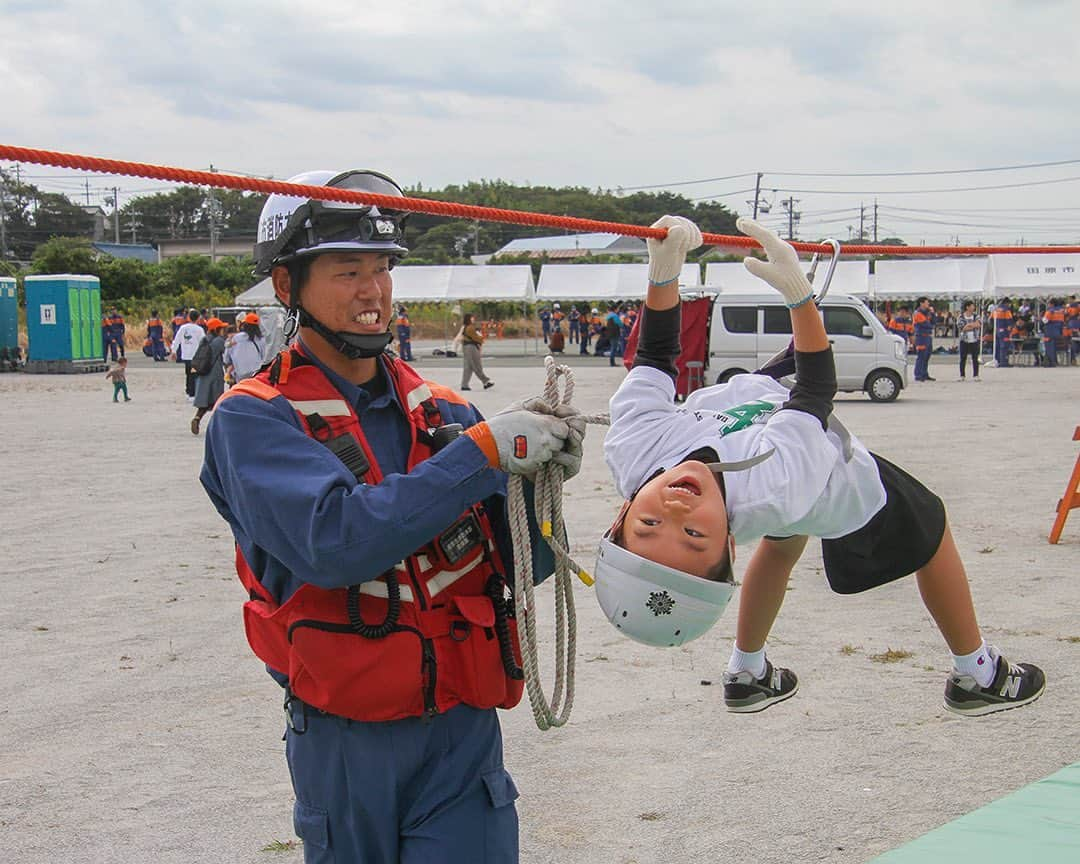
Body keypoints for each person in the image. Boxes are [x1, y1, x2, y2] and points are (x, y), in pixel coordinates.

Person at [199, 168, 582, 864]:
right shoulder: (253, 417)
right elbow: (337, 544)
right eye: (348, 271)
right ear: (287, 287)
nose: (373, 291)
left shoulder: (451, 412)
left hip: (462, 736)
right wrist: (483, 455)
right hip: (347, 742)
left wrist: (539, 491)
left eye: (381, 269)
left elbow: (528, 565)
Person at [594, 214, 1045, 718]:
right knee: (932, 526)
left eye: (651, 524)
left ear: (622, 514)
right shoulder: (773, 487)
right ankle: (978, 674)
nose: (677, 509)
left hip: (759, 407)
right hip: (831, 480)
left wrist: (662, 276)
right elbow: (815, 391)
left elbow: (654, 358)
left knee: (784, 538)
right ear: (726, 543)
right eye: (693, 535)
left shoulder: (633, 451)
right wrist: (799, 297)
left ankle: (747, 672)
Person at [191, 317, 228, 435]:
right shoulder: (219, 341)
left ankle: (197, 418)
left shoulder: (204, 340)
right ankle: (218, 426)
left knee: (204, 401)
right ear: (217, 329)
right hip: (215, 373)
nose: (223, 330)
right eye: (221, 328)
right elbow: (226, 356)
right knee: (217, 400)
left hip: (203, 372)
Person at [170, 309, 206, 401]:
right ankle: (192, 393)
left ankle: (188, 392)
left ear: (189, 318)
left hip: (186, 356)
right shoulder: (199, 329)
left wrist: (173, 351)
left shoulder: (183, 328)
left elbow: (177, 339)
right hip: (196, 356)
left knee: (188, 374)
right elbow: (203, 343)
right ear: (198, 318)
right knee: (194, 374)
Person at [224, 312, 266, 382]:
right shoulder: (261, 340)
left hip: (240, 374)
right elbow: (264, 357)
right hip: (256, 374)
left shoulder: (236, 338)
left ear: (245, 325)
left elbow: (227, 358)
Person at [460, 312, 494, 391]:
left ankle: (464, 384)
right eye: (472, 317)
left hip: (466, 347)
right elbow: (477, 338)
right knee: (476, 365)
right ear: (469, 319)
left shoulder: (465, 327)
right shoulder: (470, 328)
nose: (473, 319)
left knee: (468, 367)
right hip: (471, 347)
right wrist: (481, 339)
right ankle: (485, 381)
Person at [955, 300, 981, 381]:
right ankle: (962, 375)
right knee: (963, 358)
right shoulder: (961, 317)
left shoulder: (976, 316)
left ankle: (976, 375)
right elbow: (962, 328)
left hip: (974, 339)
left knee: (975, 358)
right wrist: (972, 325)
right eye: (972, 306)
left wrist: (969, 325)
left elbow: (978, 324)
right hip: (964, 340)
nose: (973, 307)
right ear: (967, 307)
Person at [912, 296, 936, 381]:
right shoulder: (917, 313)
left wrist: (932, 313)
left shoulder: (928, 312)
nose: (928, 304)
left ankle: (924, 374)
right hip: (921, 337)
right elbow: (926, 324)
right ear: (921, 303)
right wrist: (930, 324)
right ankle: (918, 375)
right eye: (927, 302)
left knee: (927, 356)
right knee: (921, 356)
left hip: (928, 336)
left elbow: (934, 322)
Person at [1042, 298, 1066, 368]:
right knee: (1054, 347)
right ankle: (1054, 361)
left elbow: (1045, 320)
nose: (1048, 305)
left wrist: (1040, 318)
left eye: (1049, 303)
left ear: (1052, 304)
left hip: (1049, 331)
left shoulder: (1050, 310)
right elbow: (1062, 322)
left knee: (1049, 347)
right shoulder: (1061, 311)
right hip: (1057, 332)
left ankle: (1051, 362)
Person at [992, 297, 1014, 367]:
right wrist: (1010, 329)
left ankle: (997, 361)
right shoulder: (1006, 310)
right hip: (1004, 331)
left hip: (997, 330)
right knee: (1004, 347)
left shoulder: (995, 310)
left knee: (997, 346)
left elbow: (991, 320)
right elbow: (1009, 321)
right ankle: (1003, 362)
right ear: (1007, 303)